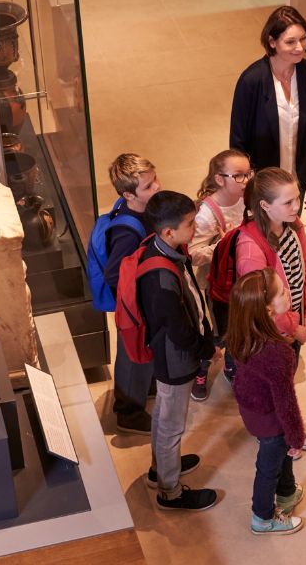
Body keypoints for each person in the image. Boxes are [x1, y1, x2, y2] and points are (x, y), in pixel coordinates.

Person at [138, 190, 222, 511]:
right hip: (176, 359)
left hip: (171, 356)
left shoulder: (162, 249)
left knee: (163, 412)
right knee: (172, 425)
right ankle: (170, 491)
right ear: (168, 231)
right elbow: (178, 328)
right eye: (190, 224)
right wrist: (206, 349)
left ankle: (159, 468)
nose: (195, 228)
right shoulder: (161, 275)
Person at [235, 168, 306, 456]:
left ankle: (283, 428)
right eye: (288, 202)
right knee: (276, 389)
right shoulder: (251, 248)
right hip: (273, 334)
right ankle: (279, 434)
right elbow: (263, 307)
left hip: (294, 324)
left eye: (297, 199)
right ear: (264, 206)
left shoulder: (293, 225)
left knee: (286, 379)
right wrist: (296, 330)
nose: (296, 207)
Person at [228, 268, 306, 535]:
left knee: (277, 455)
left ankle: (286, 494)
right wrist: (297, 437)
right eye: (282, 291)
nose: (288, 291)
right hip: (270, 419)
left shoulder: (243, 334)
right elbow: (286, 403)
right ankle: (262, 518)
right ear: (269, 311)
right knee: (268, 467)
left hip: (253, 410)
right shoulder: (277, 353)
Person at [230, 5, 306, 210]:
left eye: (303, 39)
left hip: (295, 184)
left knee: (291, 237)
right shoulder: (251, 81)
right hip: (262, 189)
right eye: (290, 41)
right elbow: (237, 144)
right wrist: (246, 188)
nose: (300, 47)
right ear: (272, 42)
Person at [188, 149, 252, 400]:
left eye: (248, 174)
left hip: (245, 277)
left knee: (241, 327)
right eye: (238, 176)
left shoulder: (247, 197)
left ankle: (231, 366)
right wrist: (224, 245)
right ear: (219, 179)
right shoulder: (206, 214)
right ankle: (201, 370)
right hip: (219, 285)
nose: (246, 181)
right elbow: (191, 254)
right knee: (220, 332)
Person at [105, 153, 160, 435]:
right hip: (133, 306)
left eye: (154, 180)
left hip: (143, 301)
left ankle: (144, 388)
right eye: (149, 186)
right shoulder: (128, 231)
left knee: (142, 353)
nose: (157, 187)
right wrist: (137, 297)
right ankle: (128, 412)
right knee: (131, 354)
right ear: (129, 194)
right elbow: (114, 274)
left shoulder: (143, 211)